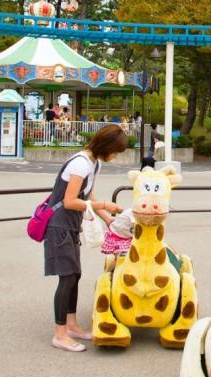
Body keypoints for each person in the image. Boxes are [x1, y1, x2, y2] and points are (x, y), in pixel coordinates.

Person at [44, 125, 125, 352]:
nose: (115, 156)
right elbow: (70, 201)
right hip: (58, 224)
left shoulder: (94, 163)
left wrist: (108, 219)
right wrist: (105, 206)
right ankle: (60, 334)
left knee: (75, 275)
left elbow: (87, 195)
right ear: (106, 146)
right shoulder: (80, 163)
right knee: (67, 277)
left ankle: (71, 326)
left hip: (70, 224)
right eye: (115, 151)